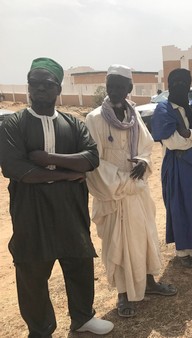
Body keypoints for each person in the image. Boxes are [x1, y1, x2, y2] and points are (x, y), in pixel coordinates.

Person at [0, 57, 114, 336]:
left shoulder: (72, 124)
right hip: (31, 210)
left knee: (79, 261)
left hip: (69, 208)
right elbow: (16, 169)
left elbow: (90, 158)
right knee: (32, 271)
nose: (39, 89)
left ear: (58, 89)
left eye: (46, 84)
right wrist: (65, 173)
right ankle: (40, 330)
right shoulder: (12, 125)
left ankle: (83, 317)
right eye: (33, 84)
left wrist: (46, 159)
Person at [85, 65, 177, 318]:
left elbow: (147, 146)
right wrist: (124, 181)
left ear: (129, 89)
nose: (114, 91)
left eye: (119, 86)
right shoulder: (94, 119)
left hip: (137, 194)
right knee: (118, 246)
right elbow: (93, 161)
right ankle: (124, 295)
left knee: (145, 239)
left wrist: (144, 162)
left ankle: (149, 283)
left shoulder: (134, 116)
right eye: (110, 86)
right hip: (114, 195)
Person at [151, 68, 192, 268]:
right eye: (176, 82)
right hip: (178, 166)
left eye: (184, 82)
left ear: (189, 85)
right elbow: (172, 142)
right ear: (169, 85)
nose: (180, 85)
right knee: (181, 206)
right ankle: (183, 253)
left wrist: (189, 134)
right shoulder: (163, 109)